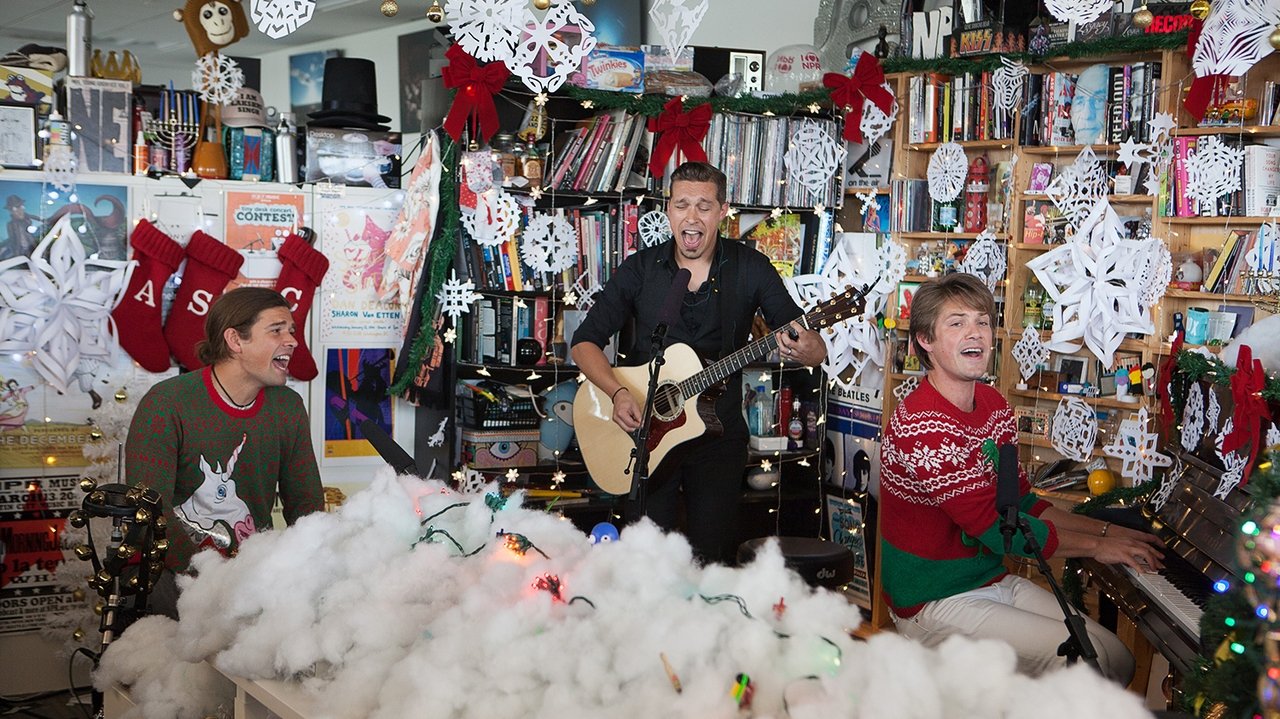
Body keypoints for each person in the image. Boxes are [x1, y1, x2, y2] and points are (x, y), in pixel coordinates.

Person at [878, 273, 1164, 682]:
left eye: (981, 321)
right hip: (932, 600)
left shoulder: (993, 404)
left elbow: (1022, 503)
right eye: (956, 323)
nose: (974, 332)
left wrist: (1106, 532)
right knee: (1088, 665)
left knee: (1116, 658)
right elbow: (1001, 531)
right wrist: (1098, 549)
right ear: (925, 339)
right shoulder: (923, 425)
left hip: (988, 580)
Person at [570, 161, 827, 564]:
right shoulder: (640, 270)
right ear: (668, 210)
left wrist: (807, 347)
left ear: (723, 212)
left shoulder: (750, 268)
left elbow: (812, 346)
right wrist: (618, 393)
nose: (691, 217)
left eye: (704, 206)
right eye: (682, 205)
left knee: (714, 558)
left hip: (717, 437)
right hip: (644, 438)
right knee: (646, 560)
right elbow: (584, 343)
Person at [125, 287, 325, 617]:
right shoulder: (167, 404)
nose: (291, 340)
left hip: (252, 577)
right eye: (276, 330)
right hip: (172, 578)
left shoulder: (288, 407)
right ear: (235, 340)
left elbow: (306, 502)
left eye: (291, 330)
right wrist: (211, 578)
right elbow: (150, 510)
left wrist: (306, 568)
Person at [4, 194, 37, 260]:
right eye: (15, 208)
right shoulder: (10, 225)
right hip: (20, 252)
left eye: (21, 207)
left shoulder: (27, 219)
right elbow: (12, 239)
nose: (19, 211)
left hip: (32, 249)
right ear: (11, 211)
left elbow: (44, 221)